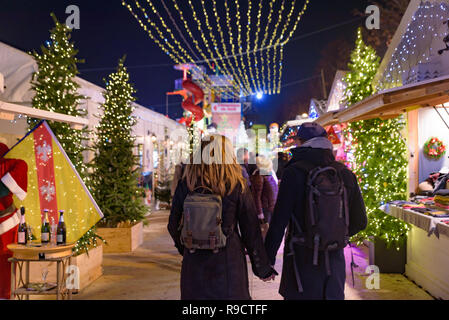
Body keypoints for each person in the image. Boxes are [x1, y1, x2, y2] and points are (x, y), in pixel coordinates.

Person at [264, 122, 367, 300]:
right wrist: (333, 232)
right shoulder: (344, 173)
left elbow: (279, 221)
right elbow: (360, 221)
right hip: (334, 264)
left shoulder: (293, 173)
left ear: (301, 142)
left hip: (301, 263)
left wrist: (267, 261)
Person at [168, 135, 277, 300]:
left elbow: (172, 224)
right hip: (229, 262)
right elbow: (251, 231)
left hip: (194, 260)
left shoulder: (187, 183)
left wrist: (186, 248)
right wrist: (262, 268)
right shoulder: (236, 184)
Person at [0, 143, 28, 299]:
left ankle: (5, 295)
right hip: (7, 220)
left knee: (6, 261)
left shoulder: (7, 159)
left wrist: (4, 187)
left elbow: (21, 166)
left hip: (6, 222)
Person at [250, 155, 279, 226]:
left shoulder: (268, 174)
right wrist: (260, 214)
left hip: (271, 208)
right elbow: (256, 197)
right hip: (265, 211)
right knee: (266, 232)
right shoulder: (259, 177)